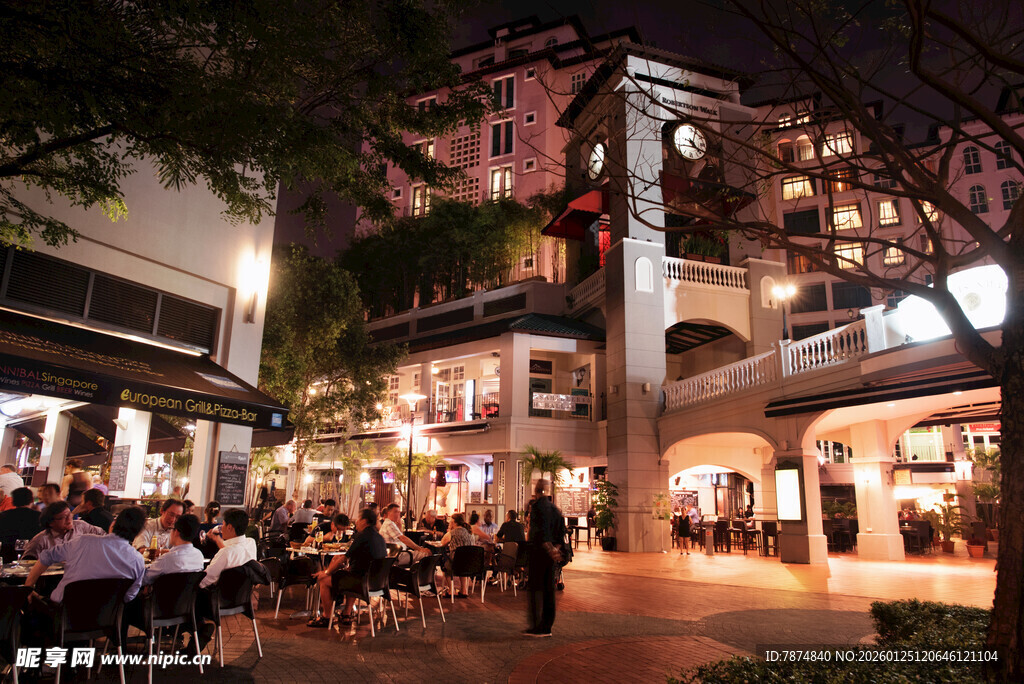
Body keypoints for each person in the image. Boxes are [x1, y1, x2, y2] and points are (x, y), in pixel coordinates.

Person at [25, 506, 146, 604]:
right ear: (137, 533)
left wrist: (29, 587)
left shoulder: (83, 541)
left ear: (113, 523)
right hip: (103, 622)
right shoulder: (138, 560)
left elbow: (46, 557)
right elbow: (128, 597)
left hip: (62, 615)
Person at [308, 508, 385, 628]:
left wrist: (326, 572)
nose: (356, 522)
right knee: (351, 573)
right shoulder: (380, 538)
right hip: (377, 583)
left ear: (364, 521)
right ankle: (346, 614)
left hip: (361, 583)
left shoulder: (362, 536)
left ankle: (326, 617)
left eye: (358, 519)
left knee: (323, 580)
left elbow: (343, 559)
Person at [525, 479, 562, 638]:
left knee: (535, 589)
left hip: (539, 552)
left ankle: (537, 625)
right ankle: (547, 625)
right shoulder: (554, 508)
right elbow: (561, 532)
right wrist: (555, 550)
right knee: (549, 590)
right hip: (551, 555)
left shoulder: (537, 507)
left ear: (537, 490)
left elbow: (539, 532)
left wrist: (547, 547)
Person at [22, 501, 104, 559]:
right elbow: (26, 563)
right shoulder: (40, 540)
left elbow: (104, 535)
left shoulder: (80, 526)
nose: (69, 519)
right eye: (64, 517)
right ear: (51, 522)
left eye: (69, 514)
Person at [142, 514, 205, 584]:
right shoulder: (199, 555)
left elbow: (144, 579)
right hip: (188, 594)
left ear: (176, 532)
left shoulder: (168, 558)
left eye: (171, 529)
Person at [440, 513, 475, 598]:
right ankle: (464, 591)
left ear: (453, 522)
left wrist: (449, 530)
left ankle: (450, 590)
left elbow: (442, 543)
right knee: (463, 565)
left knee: (445, 565)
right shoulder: (470, 533)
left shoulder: (452, 533)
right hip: (469, 562)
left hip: (456, 562)